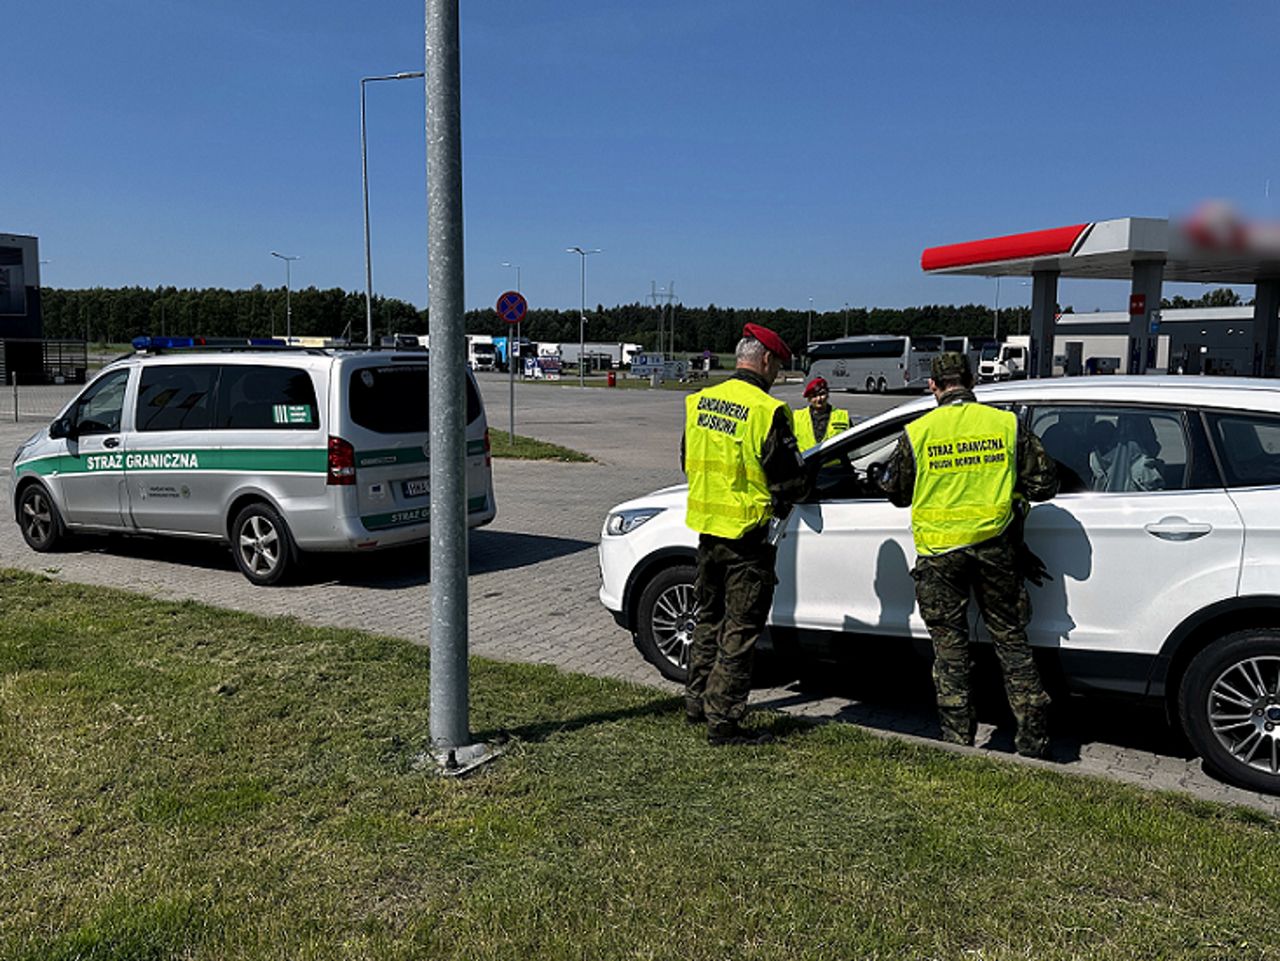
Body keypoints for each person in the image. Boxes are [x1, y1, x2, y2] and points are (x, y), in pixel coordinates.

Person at [878, 351, 1058, 758]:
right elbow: (1045, 484)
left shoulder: (919, 431)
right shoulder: (1006, 425)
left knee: (950, 650)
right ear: (972, 381)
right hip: (997, 547)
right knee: (1012, 642)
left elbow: (897, 492)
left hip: (940, 554)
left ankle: (958, 743)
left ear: (933, 386)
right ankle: (1033, 742)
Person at [682, 323, 807, 746]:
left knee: (707, 621)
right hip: (746, 541)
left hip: (707, 534)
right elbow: (788, 479)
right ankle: (724, 722)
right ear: (766, 361)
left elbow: (687, 459)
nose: (777, 375)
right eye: (778, 366)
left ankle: (696, 703)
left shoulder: (699, 402)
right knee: (740, 631)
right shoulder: (764, 410)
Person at [792, 376, 852, 451]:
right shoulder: (796, 417)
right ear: (808, 399)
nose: (819, 399)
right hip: (807, 461)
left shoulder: (842, 416)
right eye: (814, 396)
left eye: (822, 394)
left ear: (828, 394)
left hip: (834, 462)